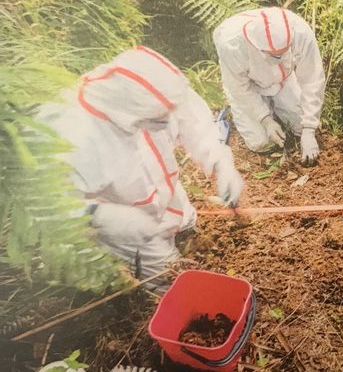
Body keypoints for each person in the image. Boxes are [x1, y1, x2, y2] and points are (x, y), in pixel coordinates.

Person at [37, 46, 244, 282]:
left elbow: (194, 125)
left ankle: (182, 229)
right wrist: (102, 216)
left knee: (180, 216)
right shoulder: (69, 130)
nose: (167, 122)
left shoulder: (161, 88)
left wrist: (221, 162)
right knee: (168, 276)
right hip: (125, 219)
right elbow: (48, 202)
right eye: (157, 119)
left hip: (165, 193)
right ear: (130, 113)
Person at [212, 6, 326, 166]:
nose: (278, 58)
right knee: (261, 142)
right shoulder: (231, 44)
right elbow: (239, 88)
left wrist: (309, 129)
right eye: (272, 55)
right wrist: (265, 120)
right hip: (249, 87)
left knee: (300, 127)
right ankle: (263, 113)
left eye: (283, 52)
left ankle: (279, 107)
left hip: (284, 79)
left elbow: (312, 79)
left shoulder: (301, 32)